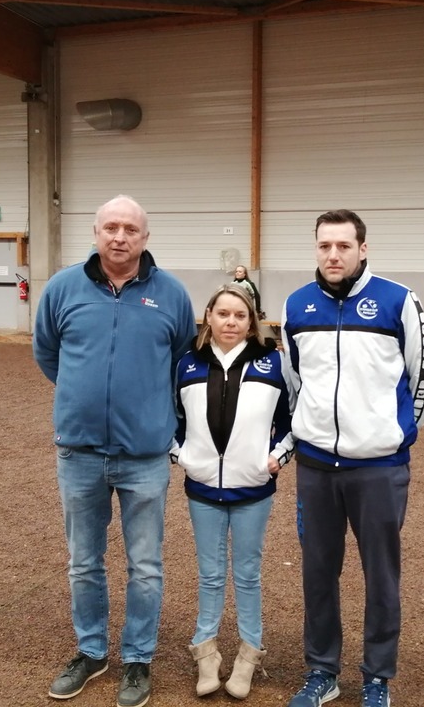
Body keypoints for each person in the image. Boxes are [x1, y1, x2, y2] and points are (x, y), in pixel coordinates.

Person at [33, 195, 197, 707]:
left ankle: (138, 659)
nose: (120, 236)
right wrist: (82, 397)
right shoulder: (62, 288)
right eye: (111, 227)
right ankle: (91, 652)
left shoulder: (171, 294)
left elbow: (182, 362)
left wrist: (148, 411)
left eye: (130, 229)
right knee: (84, 562)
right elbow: (47, 352)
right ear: (96, 232)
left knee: (145, 565)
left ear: (145, 237)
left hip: (144, 456)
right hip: (79, 452)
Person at [280, 210, 424, 707]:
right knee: (318, 573)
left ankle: (377, 676)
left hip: (378, 469)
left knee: (381, 575)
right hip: (315, 468)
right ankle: (322, 671)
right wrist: (307, 432)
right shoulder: (296, 305)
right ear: (315, 248)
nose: (333, 255)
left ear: (363, 249)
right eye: (324, 245)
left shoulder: (398, 301)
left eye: (344, 246)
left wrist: (396, 435)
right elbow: (293, 381)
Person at [171, 284, 295, 700]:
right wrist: (182, 455)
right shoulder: (187, 363)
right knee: (209, 574)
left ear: (252, 321)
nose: (231, 322)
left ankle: (248, 654)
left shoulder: (273, 363)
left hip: (253, 490)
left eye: (240, 315)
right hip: (202, 487)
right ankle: (205, 651)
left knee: (247, 573)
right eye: (223, 313)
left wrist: (277, 456)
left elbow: (293, 418)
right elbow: (170, 417)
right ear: (209, 316)